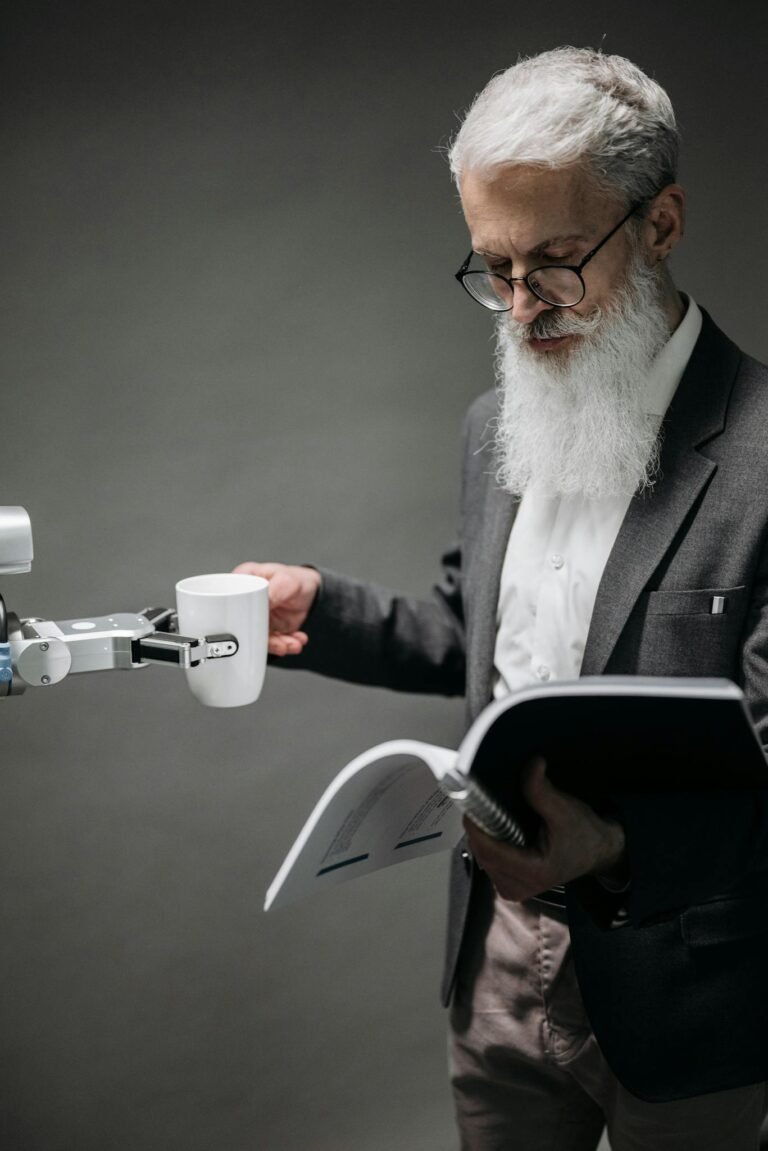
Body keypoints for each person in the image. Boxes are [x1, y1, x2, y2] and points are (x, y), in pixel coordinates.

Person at [237, 48, 768, 1150]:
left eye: (557, 262)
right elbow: (473, 635)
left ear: (660, 224)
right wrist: (318, 606)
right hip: (494, 963)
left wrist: (610, 848)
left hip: (696, 984)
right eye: (494, 268)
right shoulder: (496, 428)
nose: (523, 309)